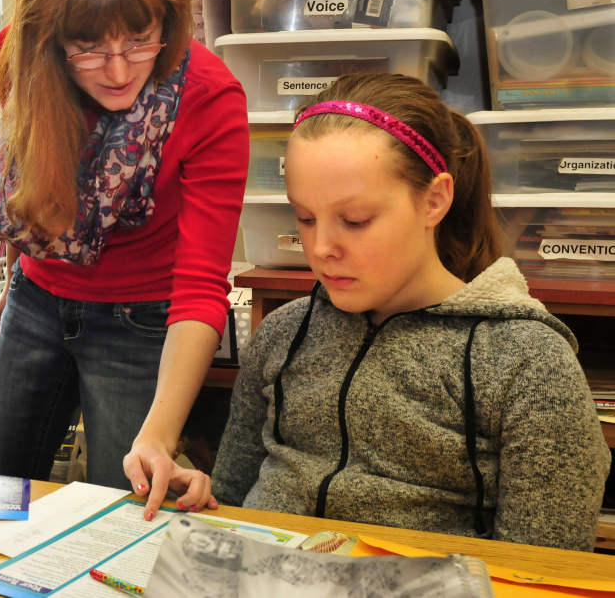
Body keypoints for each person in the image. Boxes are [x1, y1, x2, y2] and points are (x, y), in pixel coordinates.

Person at [211, 73, 611, 551]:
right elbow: (229, 505)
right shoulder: (282, 333)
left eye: (355, 221)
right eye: (305, 217)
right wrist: (200, 505)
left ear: (434, 200)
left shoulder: (526, 364)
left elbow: (542, 571)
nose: (320, 248)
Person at [0, 0, 248, 518]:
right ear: (48, 37)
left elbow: (202, 286)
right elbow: (32, 175)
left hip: (145, 323)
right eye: (87, 45)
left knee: (121, 512)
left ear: (169, 18)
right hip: (37, 302)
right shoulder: (15, 57)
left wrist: (158, 436)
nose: (117, 68)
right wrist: (16, 274)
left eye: (139, 38)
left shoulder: (211, 99)